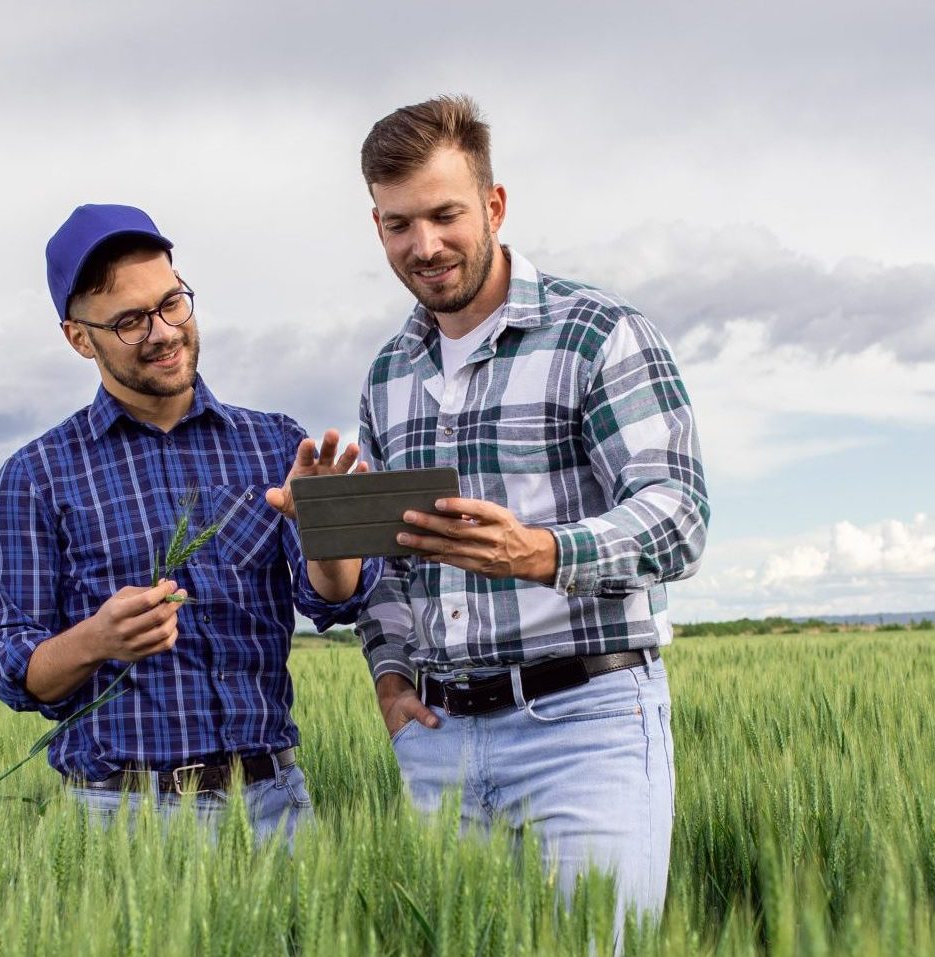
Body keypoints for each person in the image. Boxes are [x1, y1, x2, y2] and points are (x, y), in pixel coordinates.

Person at [351, 96, 711, 925]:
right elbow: (391, 568)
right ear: (378, 227)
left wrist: (541, 552)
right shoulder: (387, 374)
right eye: (400, 223)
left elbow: (679, 513)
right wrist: (390, 679)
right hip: (439, 735)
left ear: (494, 205)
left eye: (445, 214)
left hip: (582, 726)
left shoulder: (598, 334)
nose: (425, 245)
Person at [0, 203, 378, 842]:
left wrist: (328, 530)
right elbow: (11, 665)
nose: (164, 332)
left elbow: (336, 599)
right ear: (79, 337)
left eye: (172, 303)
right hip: (119, 819)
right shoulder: (35, 475)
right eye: (131, 321)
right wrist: (97, 640)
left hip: (275, 804)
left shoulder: (275, 444)